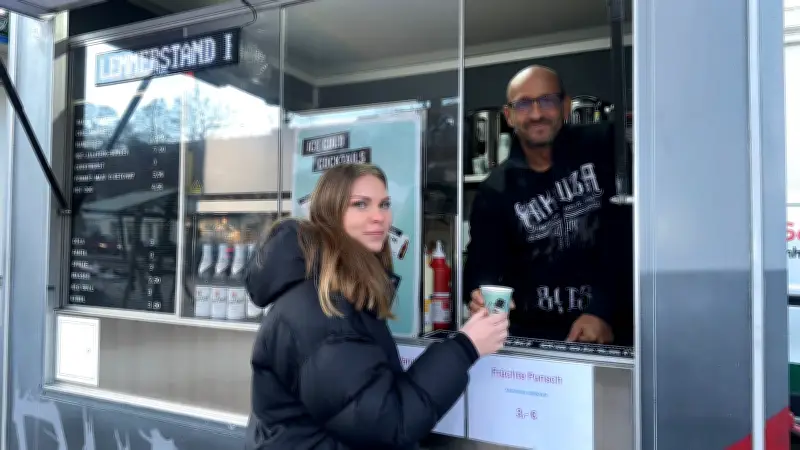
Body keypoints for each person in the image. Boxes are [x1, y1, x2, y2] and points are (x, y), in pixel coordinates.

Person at [243, 163, 509, 450]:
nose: (378, 217)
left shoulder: (339, 291)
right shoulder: (321, 308)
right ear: (330, 214)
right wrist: (466, 346)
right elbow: (387, 423)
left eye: (384, 204)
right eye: (360, 205)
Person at [463, 65, 619, 344]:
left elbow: (630, 238)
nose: (536, 114)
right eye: (523, 104)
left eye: (546, 100)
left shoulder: (605, 146)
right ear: (508, 116)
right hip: (532, 342)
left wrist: (602, 311)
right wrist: (477, 296)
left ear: (566, 105)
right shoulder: (495, 189)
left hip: (608, 334)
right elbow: (481, 267)